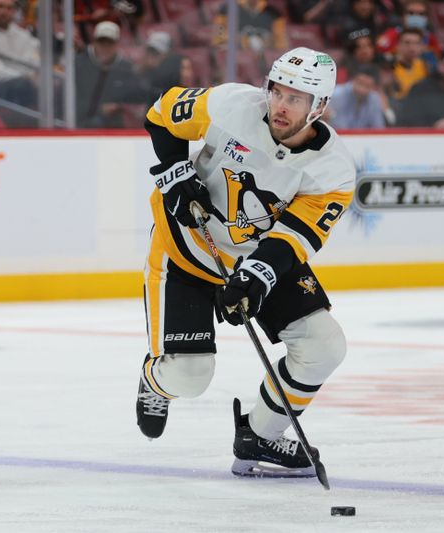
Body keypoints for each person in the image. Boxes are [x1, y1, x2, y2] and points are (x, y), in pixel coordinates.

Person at [135, 47, 355, 478]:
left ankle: (260, 435)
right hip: (184, 251)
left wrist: (255, 278)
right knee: (189, 377)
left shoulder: (333, 170)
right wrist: (176, 172)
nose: (281, 105)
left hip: (256, 254)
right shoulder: (231, 104)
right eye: (277, 92)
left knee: (324, 346)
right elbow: (161, 113)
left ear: (319, 106)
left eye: (296, 99)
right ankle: (154, 379)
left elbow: (292, 238)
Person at [74, 21, 145, 128]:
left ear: (117, 44)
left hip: (116, 126)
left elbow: (138, 96)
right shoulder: (78, 65)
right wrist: (100, 109)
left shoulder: (126, 68)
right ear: (94, 42)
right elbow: (69, 102)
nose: (105, 47)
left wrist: (122, 106)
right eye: (102, 42)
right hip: (80, 125)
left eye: (110, 43)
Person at [0, 0, 40, 109]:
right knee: (25, 85)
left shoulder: (22, 34)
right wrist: (26, 78)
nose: (4, 11)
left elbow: (34, 58)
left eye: (9, 8)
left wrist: (36, 75)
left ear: (14, 11)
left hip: (26, 83)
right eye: (0, 7)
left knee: (55, 83)